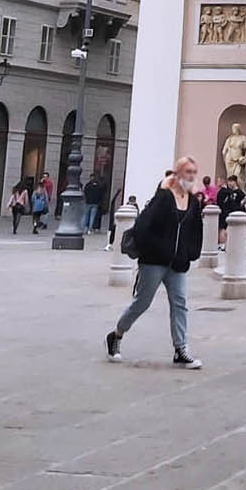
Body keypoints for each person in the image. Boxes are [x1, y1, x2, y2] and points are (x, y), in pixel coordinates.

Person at [106, 156, 204, 369]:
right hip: (154, 261)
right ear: (177, 175)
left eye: (193, 172)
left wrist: (190, 253)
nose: (191, 176)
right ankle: (116, 334)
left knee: (180, 304)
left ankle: (181, 349)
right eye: (187, 172)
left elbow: (196, 229)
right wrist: (155, 248)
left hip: (177, 263)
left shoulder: (193, 202)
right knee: (142, 302)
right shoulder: (164, 198)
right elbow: (143, 225)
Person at [216, 176, 244, 250]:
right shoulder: (230, 192)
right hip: (230, 211)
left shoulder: (224, 192)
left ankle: (222, 244)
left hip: (227, 211)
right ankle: (224, 244)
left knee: (222, 228)